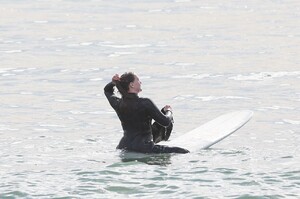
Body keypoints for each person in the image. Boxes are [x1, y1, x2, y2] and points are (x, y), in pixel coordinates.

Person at [104, 72, 189, 154]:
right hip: (145, 148)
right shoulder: (145, 103)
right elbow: (166, 122)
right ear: (131, 85)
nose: (140, 82)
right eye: (138, 80)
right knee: (184, 152)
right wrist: (168, 111)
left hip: (123, 146)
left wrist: (113, 83)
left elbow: (107, 90)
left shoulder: (118, 103)